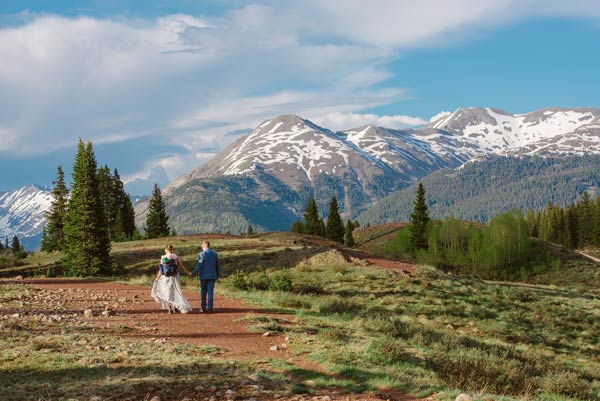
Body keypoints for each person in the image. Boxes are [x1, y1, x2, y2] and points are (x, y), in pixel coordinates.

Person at [151, 245, 193, 314]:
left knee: (167, 292)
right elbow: (182, 266)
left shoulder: (163, 257)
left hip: (166, 277)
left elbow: (161, 270)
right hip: (175, 276)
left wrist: (157, 278)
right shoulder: (175, 257)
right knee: (177, 291)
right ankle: (177, 307)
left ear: (166, 250)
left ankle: (170, 308)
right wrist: (187, 273)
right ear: (172, 250)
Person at [191, 240, 220, 313]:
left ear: (203, 246)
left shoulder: (201, 254)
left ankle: (203, 307)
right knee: (210, 292)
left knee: (203, 292)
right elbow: (217, 266)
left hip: (203, 276)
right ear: (209, 246)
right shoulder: (215, 254)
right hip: (212, 276)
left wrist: (193, 273)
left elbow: (199, 265)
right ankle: (210, 308)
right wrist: (217, 275)